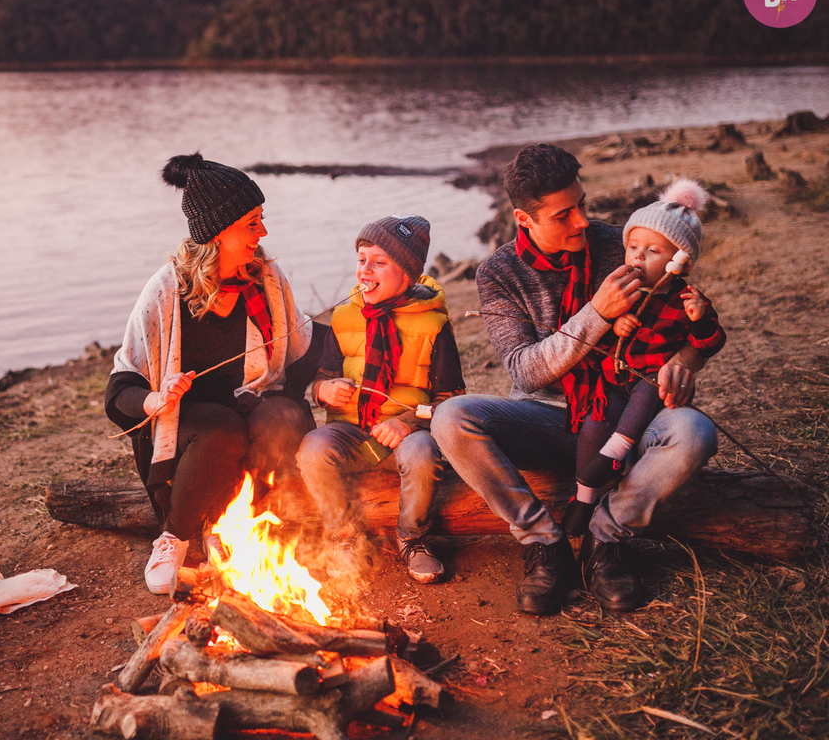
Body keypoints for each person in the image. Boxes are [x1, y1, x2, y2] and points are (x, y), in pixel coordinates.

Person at [431, 143, 717, 615]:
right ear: (525, 220)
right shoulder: (499, 274)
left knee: (695, 432)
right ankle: (547, 545)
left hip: (627, 416)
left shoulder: (623, 243)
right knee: (451, 418)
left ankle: (606, 539)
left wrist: (686, 361)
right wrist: (597, 315)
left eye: (581, 204)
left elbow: (680, 319)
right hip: (545, 417)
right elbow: (525, 369)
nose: (582, 221)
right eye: (564, 214)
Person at [105, 152, 317, 595]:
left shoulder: (266, 280)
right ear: (219, 233)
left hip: (247, 405)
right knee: (223, 429)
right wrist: (155, 400)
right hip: (187, 426)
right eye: (252, 223)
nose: (263, 233)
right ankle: (175, 536)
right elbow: (120, 387)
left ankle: (245, 525)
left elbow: (299, 352)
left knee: (283, 417)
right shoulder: (166, 291)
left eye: (261, 220)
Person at [296, 216, 465, 584]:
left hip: (407, 437)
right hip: (351, 433)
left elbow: (451, 400)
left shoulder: (434, 326)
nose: (364, 271)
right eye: (361, 259)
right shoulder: (343, 318)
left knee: (421, 454)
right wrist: (323, 391)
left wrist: (407, 423)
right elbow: (320, 379)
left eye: (379, 262)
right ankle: (345, 536)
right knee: (312, 450)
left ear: (407, 273)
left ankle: (412, 537)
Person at [562, 179, 726, 535]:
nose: (638, 255)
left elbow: (711, 342)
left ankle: (615, 453)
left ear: (680, 262)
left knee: (647, 389)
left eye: (653, 251)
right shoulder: (625, 289)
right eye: (633, 246)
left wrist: (699, 321)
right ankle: (583, 495)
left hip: (651, 384)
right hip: (613, 383)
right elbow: (599, 331)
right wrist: (616, 322)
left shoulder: (686, 300)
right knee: (594, 425)